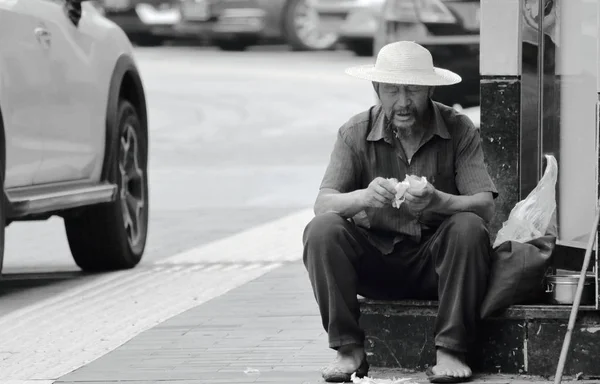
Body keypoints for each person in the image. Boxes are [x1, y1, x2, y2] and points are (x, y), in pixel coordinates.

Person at [302, 41, 498, 383]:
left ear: (431, 89)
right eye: (392, 90)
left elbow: (485, 207)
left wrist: (440, 201)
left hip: (437, 268)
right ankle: (348, 349)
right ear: (377, 89)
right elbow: (323, 204)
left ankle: (451, 350)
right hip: (375, 262)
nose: (403, 102)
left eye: (413, 90)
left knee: (468, 226)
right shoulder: (354, 132)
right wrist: (363, 197)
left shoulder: (459, 128)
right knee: (322, 230)